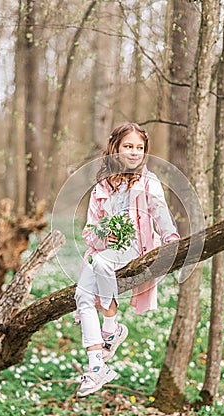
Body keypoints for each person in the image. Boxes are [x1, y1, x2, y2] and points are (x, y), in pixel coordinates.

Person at [75, 122, 180, 397]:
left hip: (136, 247)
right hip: (104, 252)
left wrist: (171, 239)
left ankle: (110, 327)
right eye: (128, 146)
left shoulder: (148, 181)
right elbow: (89, 229)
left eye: (140, 148)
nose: (134, 152)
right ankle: (97, 366)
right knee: (82, 296)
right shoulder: (101, 186)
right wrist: (102, 238)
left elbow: (159, 211)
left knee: (99, 264)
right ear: (115, 149)